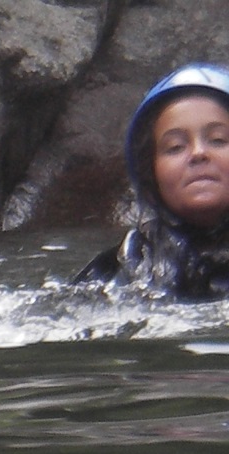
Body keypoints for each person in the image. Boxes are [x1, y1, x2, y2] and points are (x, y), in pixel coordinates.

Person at [74, 63, 229, 297]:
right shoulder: (120, 270)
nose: (198, 153)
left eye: (218, 140)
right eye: (175, 147)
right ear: (150, 177)